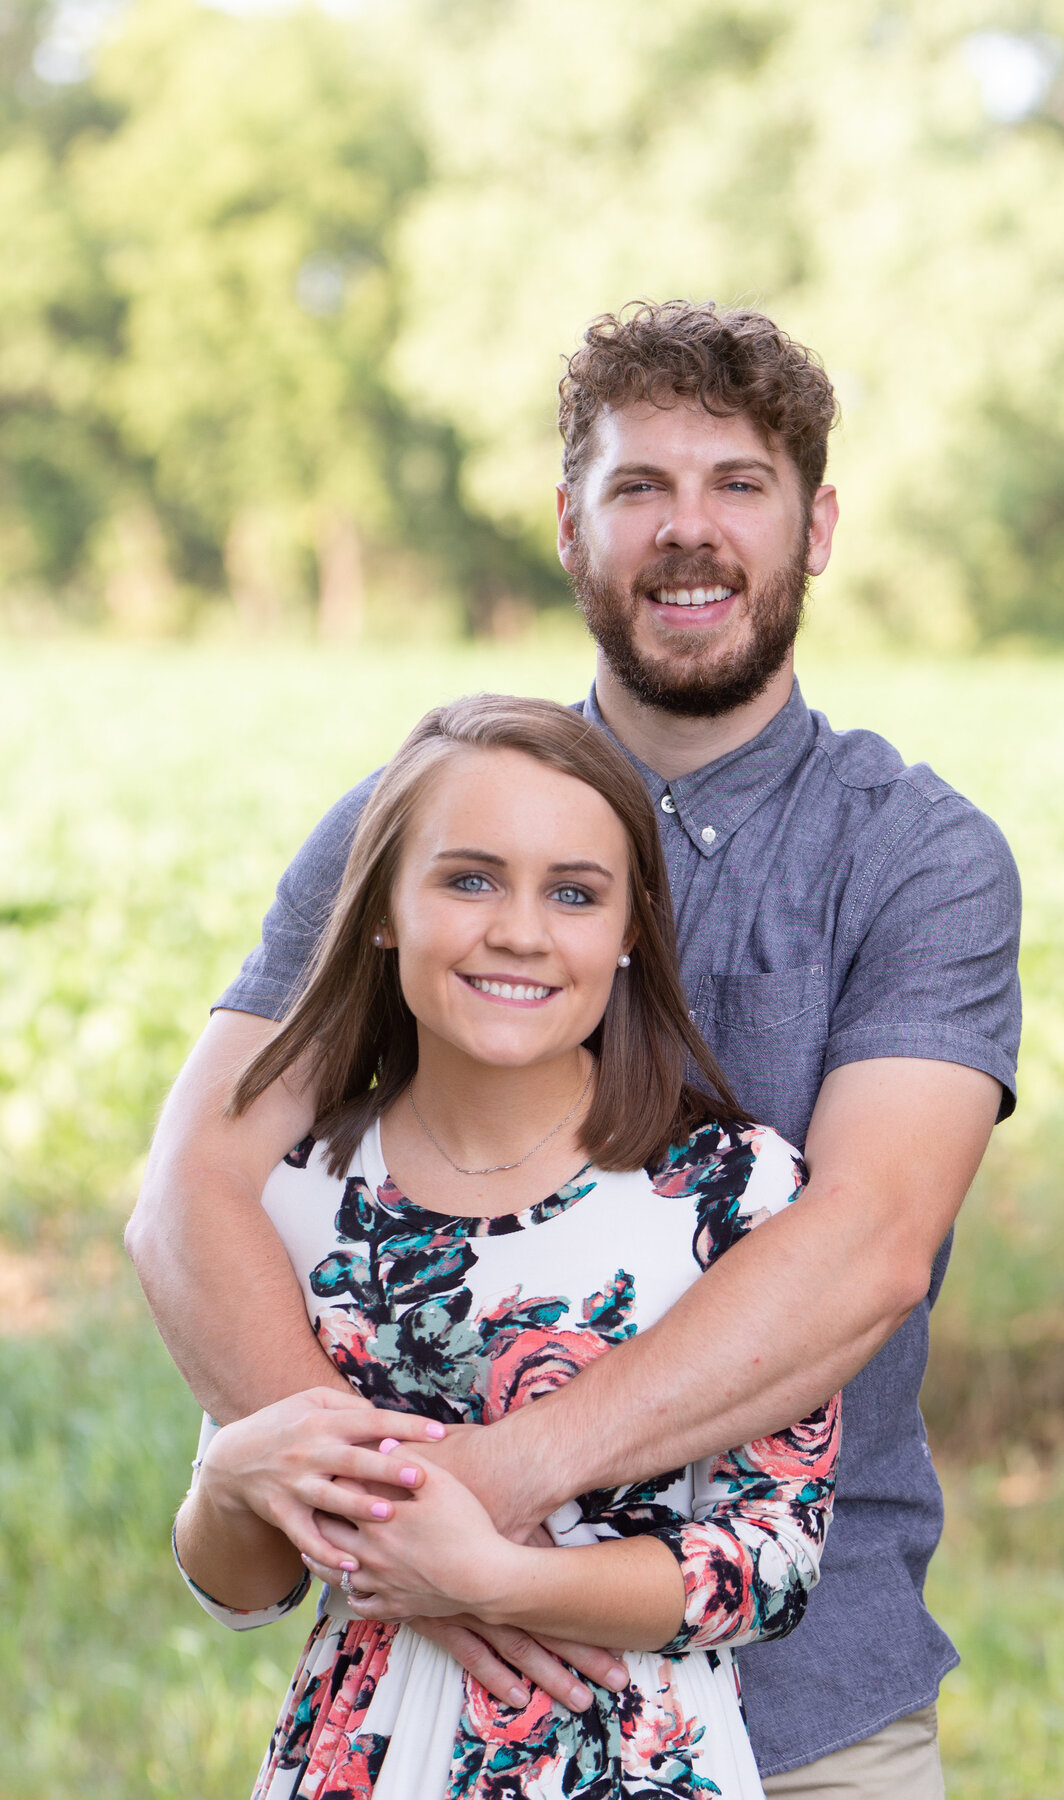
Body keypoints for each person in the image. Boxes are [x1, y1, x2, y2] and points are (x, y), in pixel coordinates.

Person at [127, 300, 1021, 1798]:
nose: (691, 531)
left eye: (740, 485)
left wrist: (490, 1503)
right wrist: (392, 1526)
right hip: (419, 1706)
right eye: (638, 488)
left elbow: (866, 1248)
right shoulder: (402, 826)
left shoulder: (915, 857)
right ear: (566, 524)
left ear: (817, 527)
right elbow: (190, 1195)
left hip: (806, 1699)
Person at [173, 694, 841, 1799]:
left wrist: (495, 1580)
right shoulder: (295, 1198)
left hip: (634, 1757)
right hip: (360, 1758)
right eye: (469, 879)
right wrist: (230, 1481)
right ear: (385, 905)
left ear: (630, 932)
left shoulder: (733, 1189)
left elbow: (773, 1564)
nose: (520, 931)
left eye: (573, 893)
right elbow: (245, 1590)